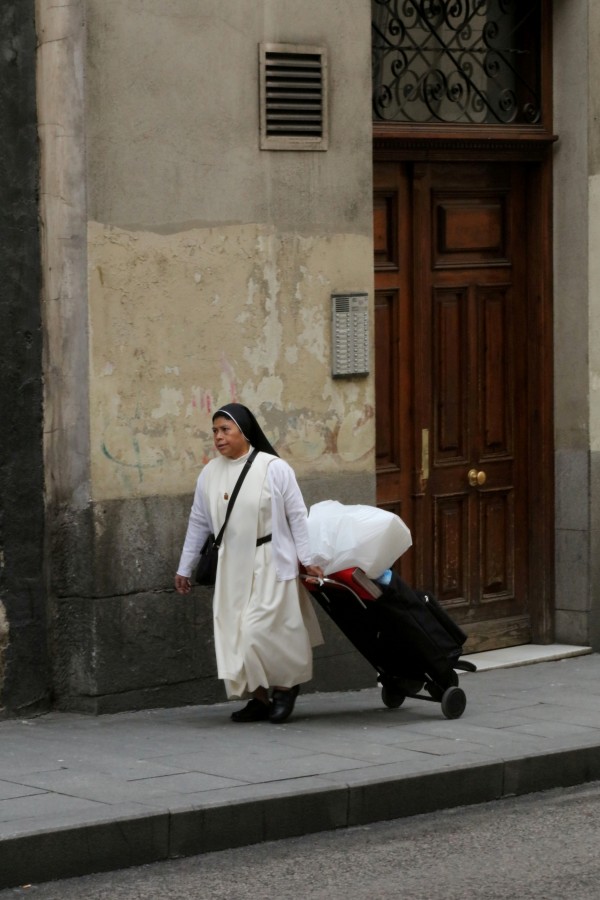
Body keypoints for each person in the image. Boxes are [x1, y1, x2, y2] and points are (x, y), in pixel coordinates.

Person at [175, 403, 324, 723]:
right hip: (231, 565)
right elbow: (198, 522)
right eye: (214, 431)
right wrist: (184, 567)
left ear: (244, 432)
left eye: (225, 430)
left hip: (270, 560)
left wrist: (307, 559)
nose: (218, 437)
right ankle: (258, 698)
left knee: (265, 629)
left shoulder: (274, 468)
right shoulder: (209, 473)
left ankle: (285, 688)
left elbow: (297, 515)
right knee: (236, 633)